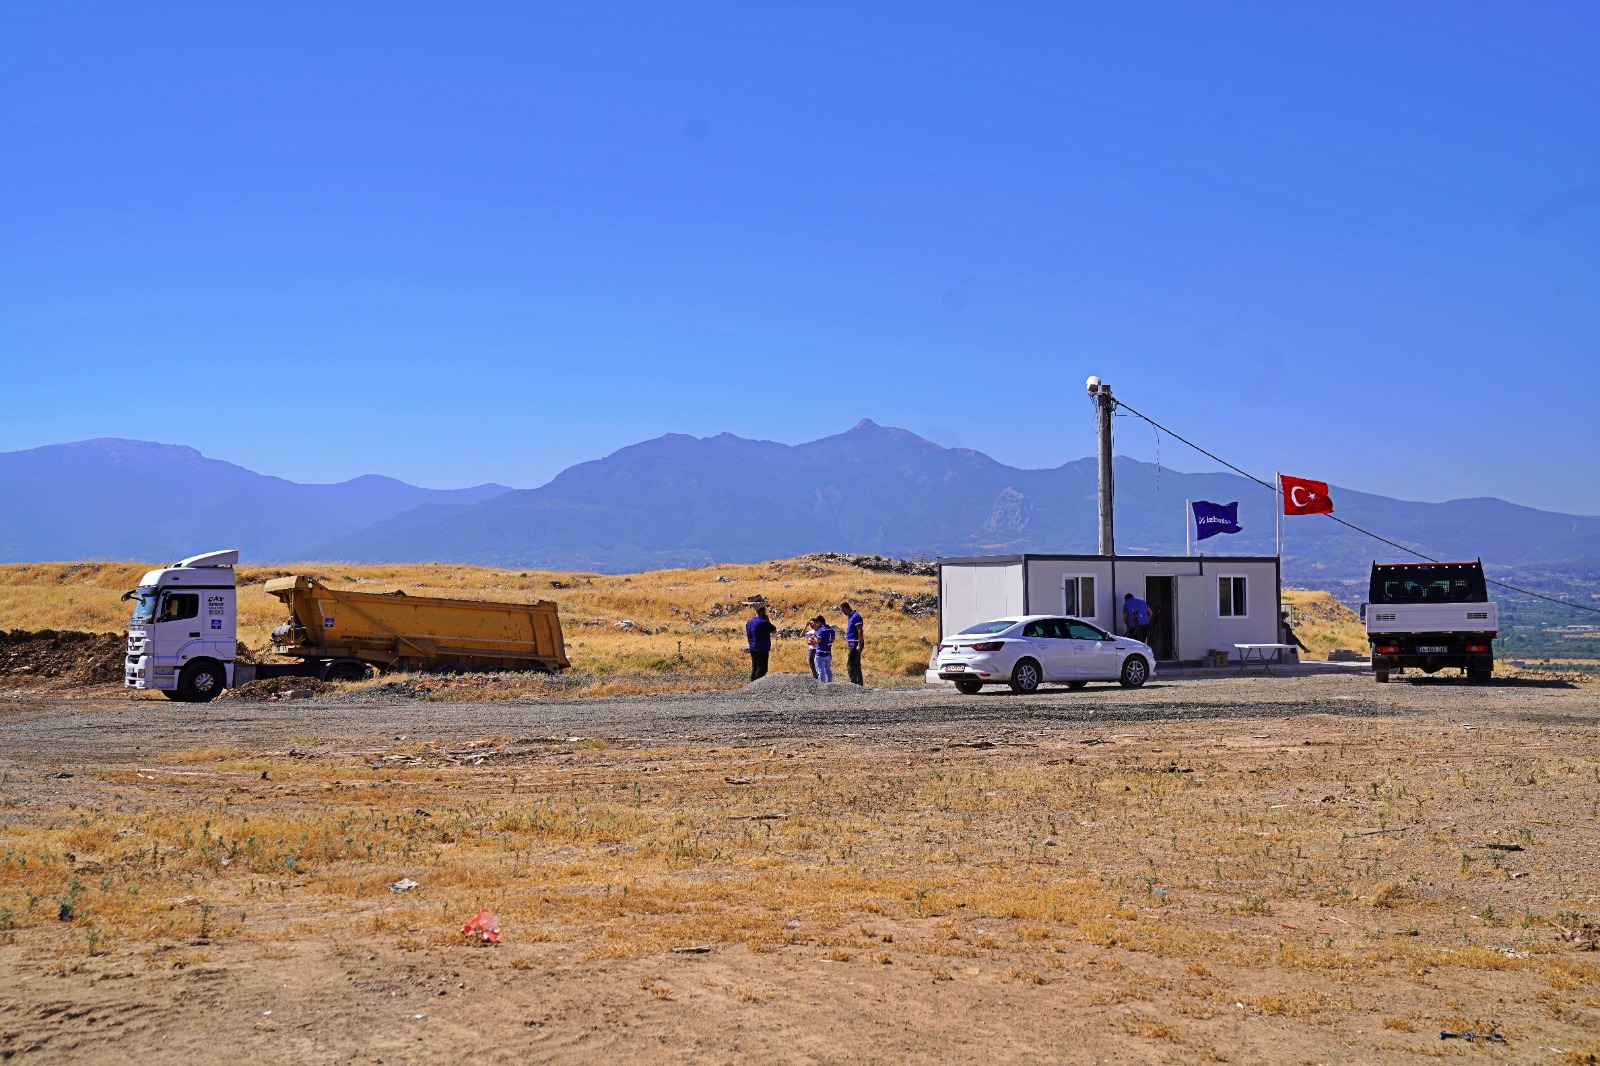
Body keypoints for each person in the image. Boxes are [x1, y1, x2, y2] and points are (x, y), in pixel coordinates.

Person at [745, 604, 777, 681]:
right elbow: (774, 631)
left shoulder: (749, 622)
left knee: (755, 667)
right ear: (763, 612)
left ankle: (752, 685)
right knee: (762, 668)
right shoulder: (764, 622)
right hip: (762, 648)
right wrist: (767, 621)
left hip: (752, 647)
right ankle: (757, 685)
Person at [841, 601, 865, 685]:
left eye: (843, 611)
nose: (843, 613)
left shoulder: (855, 616)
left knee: (850, 665)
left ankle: (854, 685)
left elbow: (860, 630)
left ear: (845, 609)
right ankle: (859, 684)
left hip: (855, 644)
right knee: (856, 665)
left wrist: (859, 644)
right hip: (853, 643)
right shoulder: (851, 617)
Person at [813, 616, 836, 682]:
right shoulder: (831, 630)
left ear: (818, 622)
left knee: (821, 670)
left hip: (820, 653)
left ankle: (822, 686)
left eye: (816, 624)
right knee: (828, 670)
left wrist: (814, 637)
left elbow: (818, 641)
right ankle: (830, 684)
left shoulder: (821, 629)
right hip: (828, 653)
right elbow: (832, 640)